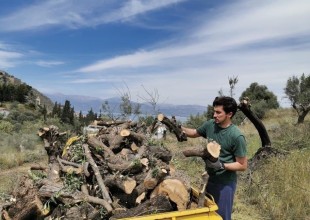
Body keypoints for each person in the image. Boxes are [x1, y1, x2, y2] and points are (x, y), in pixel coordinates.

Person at [181, 96, 247, 220]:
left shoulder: (237, 136)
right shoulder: (211, 125)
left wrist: (222, 165)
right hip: (208, 179)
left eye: (218, 112)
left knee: (221, 217)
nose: (214, 115)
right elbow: (195, 132)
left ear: (229, 114)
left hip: (225, 184)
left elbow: (242, 165)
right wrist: (179, 128)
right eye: (214, 111)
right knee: (207, 215)